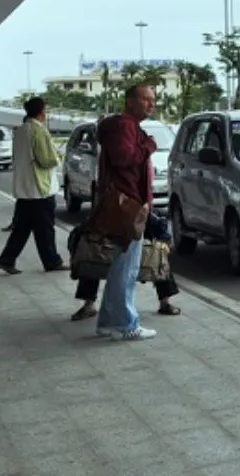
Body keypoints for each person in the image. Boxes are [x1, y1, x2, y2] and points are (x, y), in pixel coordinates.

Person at [94, 84, 158, 341]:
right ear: (130, 101)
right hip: (127, 205)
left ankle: (109, 322)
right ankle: (125, 324)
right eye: (146, 99)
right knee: (126, 268)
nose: (151, 104)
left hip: (129, 203)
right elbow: (124, 158)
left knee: (122, 266)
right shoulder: (124, 126)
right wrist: (149, 146)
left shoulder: (126, 126)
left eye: (153, 100)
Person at [0, 99, 68, 275]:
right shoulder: (39, 131)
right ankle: (52, 261)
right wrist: (58, 156)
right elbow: (47, 160)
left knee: (21, 228)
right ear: (41, 112)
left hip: (24, 188)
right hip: (39, 189)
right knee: (45, 229)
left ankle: (6, 259)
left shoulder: (19, 131)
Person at [72, 211, 180, 321]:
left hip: (131, 223)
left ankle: (165, 302)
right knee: (91, 257)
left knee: (159, 254)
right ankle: (89, 304)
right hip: (113, 232)